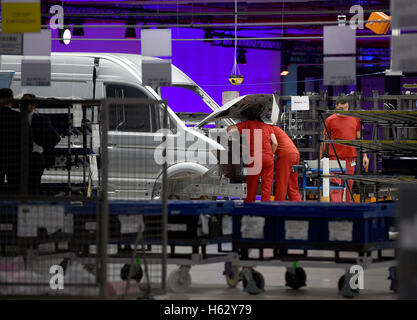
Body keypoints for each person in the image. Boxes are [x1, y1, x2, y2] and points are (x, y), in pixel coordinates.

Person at [320, 97, 369, 202]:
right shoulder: (330, 120)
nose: (344, 110)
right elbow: (325, 140)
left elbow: (360, 139)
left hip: (350, 158)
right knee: (335, 186)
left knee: (348, 187)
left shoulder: (355, 119)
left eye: (346, 108)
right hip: (334, 158)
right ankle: (336, 211)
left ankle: (348, 211)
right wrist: (322, 159)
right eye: (341, 108)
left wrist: (365, 155)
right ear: (336, 107)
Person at [227, 106, 277, 202]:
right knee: (267, 186)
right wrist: (270, 154)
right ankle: (265, 207)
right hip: (268, 158)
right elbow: (275, 143)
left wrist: (238, 141)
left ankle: (249, 206)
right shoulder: (268, 127)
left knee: (252, 185)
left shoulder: (247, 124)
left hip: (255, 158)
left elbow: (230, 130)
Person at [21, 93, 60, 195]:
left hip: (35, 157)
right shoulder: (16, 119)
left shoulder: (41, 120)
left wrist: (41, 145)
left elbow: (55, 138)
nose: (22, 105)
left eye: (26, 103)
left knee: (33, 186)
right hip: (20, 157)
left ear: (33, 105)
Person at [0, 88, 32, 195]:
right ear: (11, 101)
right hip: (15, 159)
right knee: (15, 190)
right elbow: (28, 140)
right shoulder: (19, 117)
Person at [269, 124, 302, 201]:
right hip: (295, 154)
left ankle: (278, 207)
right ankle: (298, 207)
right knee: (292, 184)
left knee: (281, 183)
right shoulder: (275, 128)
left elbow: (274, 144)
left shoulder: (267, 129)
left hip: (285, 155)